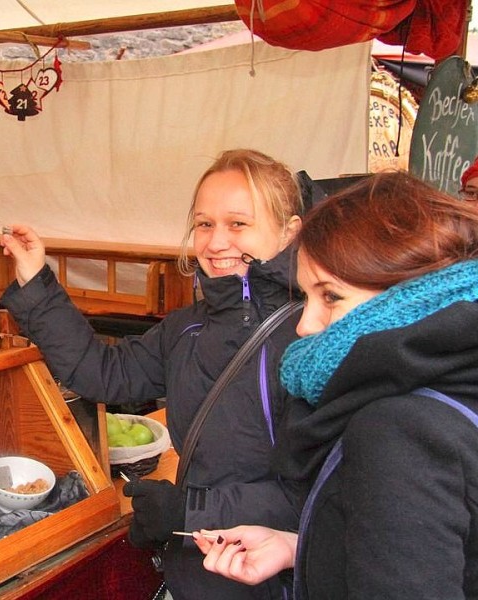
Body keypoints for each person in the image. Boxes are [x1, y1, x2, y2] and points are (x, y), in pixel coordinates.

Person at [0, 149, 307, 599]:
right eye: (204, 224)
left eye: (238, 224)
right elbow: (103, 371)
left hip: (269, 583)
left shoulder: (307, 336)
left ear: (289, 231)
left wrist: (190, 509)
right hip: (192, 571)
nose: (216, 242)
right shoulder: (187, 327)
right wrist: (36, 284)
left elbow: (318, 495)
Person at [193, 171, 478, 599]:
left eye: (329, 297)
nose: (306, 326)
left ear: (404, 293)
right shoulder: (454, 377)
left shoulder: (399, 430)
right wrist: (299, 547)